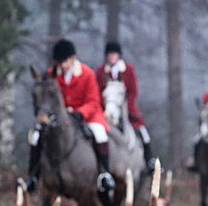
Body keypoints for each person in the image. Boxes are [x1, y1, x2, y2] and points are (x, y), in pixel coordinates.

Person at [25, 38, 115, 194]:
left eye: (65, 61)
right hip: (60, 118)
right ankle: (33, 176)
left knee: (100, 135)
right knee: (35, 137)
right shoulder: (52, 74)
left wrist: (80, 113)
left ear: (73, 58)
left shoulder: (87, 73)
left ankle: (104, 174)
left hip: (87, 115)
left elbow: (94, 101)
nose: (62, 65)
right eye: (59, 62)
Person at [95, 41, 156, 170]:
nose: (112, 57)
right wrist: (104, 106)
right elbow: (98, 91)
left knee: (143, 132)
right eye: (109, 55)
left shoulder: (128, 69)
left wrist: (127, 104)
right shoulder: (101, 71)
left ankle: (149, 160)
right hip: (106, 109)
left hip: (126, 107)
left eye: (114, 54)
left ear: (119, 55)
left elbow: (133, 90)